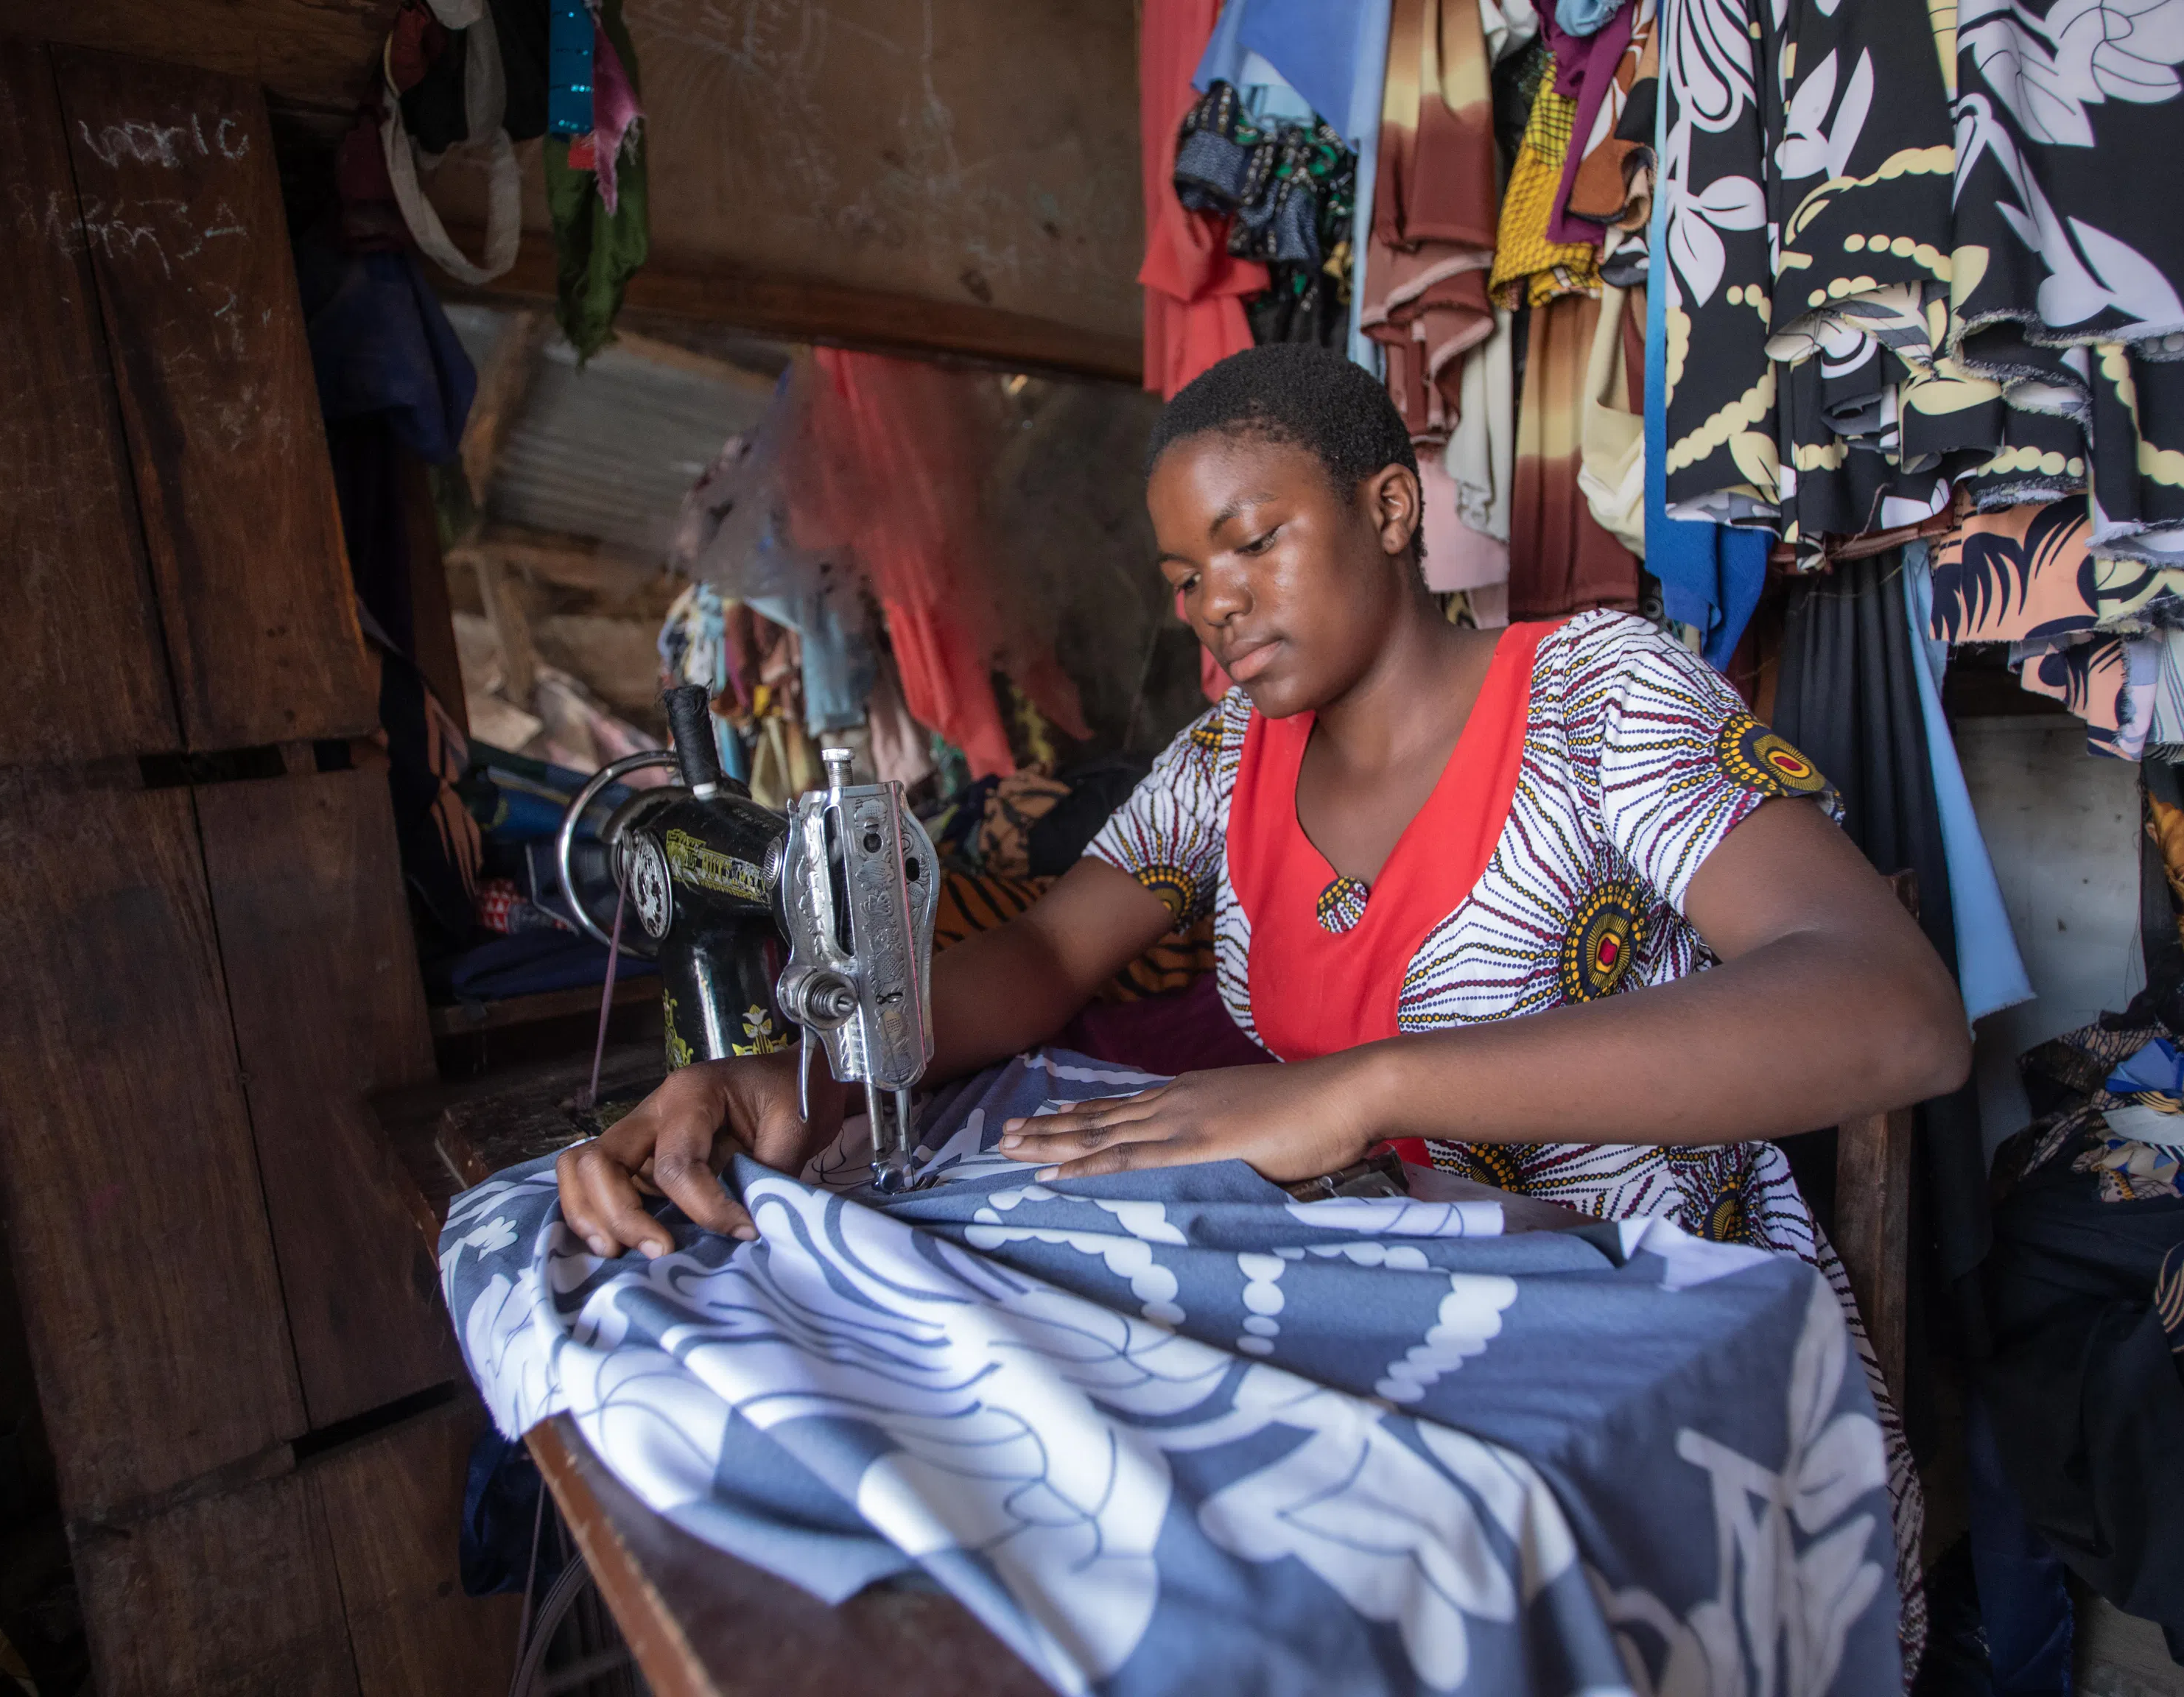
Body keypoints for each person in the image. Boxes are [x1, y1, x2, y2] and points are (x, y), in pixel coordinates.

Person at [560, 339, 1967, 1665]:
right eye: (1184, 575)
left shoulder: (1603, 697)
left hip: (1658, 1344)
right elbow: (1046, 960)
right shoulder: (1226, 764)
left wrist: (1365, 1084)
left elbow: (1894, 1014)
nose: (1214, 602)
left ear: (1394, 508)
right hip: (1413, 1311)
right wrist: (799, 1071)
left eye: (1254, 540)